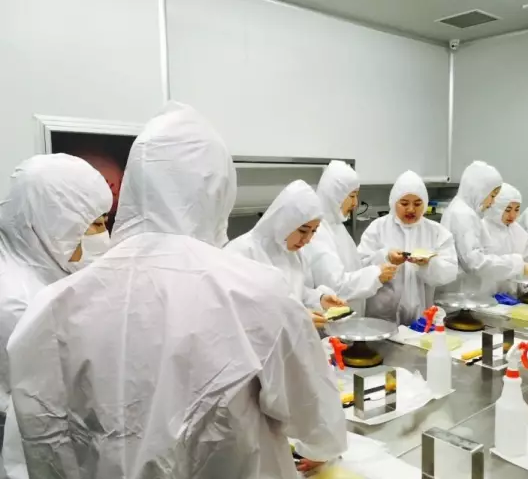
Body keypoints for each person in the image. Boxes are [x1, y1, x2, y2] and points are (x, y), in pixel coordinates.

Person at [7, 103, 346, 479]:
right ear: (220, 190)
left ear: (136, 183)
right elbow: (317, 422)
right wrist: (318, 449)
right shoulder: (258, 292)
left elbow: (39, 446)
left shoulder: (55, 305)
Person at [0, 153, 111, 477]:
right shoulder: (19, 303)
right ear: (55, 223)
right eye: (95, 224)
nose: (104, 236)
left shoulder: (43, 272)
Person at [225, 180, 346, 328]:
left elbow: (295, 293)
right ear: (284, 222)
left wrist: (319, 299)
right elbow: (240, 310)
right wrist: (292, 317)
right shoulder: (241, 253)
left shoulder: (293, 253)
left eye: (313, 231)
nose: (307, 239)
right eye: (303, 230)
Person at [358, 171, 458, 324]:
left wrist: (428, 264)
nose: (411, 209)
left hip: (422, 316)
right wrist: (385, 257)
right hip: (382, 316)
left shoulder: (436, 232)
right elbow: (360, 265)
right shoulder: (378, 228)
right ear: (394, 202)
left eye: (417, 204)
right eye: (404, 203)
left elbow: (450, 271)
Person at [301, 160, 397, 316]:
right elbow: (335, 286)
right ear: (335, 195)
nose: (355, 203)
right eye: (352, 196)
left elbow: (353, 266)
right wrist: (375, 275)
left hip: (349, 320)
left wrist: (384, 257)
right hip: (332, 324)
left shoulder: (336, 226)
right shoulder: (317, 232)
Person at [441, 161, 528, 294]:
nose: (492, 202)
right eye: (492, 195)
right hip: (463, 291)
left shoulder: (459, 209)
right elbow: (475, 263)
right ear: (479, 190)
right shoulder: (464, 214)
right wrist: (516, 264)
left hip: (461, 290)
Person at [482, 183, 528, 294]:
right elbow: (483, 266)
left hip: (512, 296)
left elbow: (523, 268)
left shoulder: (520, 233)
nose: (512, 215)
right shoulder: (482, 229)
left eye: (516, 210)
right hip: (486, 296)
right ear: (496, 207)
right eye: (507, 210)